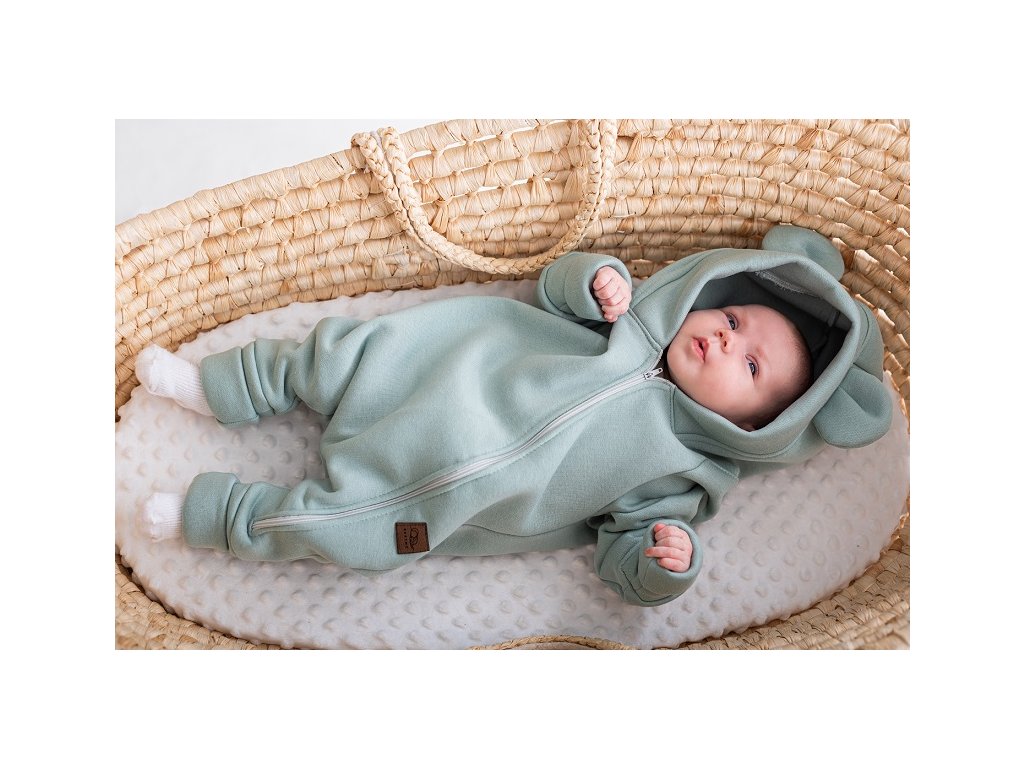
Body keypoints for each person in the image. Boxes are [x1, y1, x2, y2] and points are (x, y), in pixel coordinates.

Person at [132, 225, 892, 607]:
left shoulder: (681, 478)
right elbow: (552, 290)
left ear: (756, 427)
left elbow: (621, 559)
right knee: (339, 352)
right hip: (431, 367)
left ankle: (223, 517)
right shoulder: (627, 316)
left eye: (751, 367)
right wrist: (593, 280)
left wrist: (664, 564)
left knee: (361, 538)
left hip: (434, 506)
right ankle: (220, 386)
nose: (726, 340)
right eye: (733, 319)